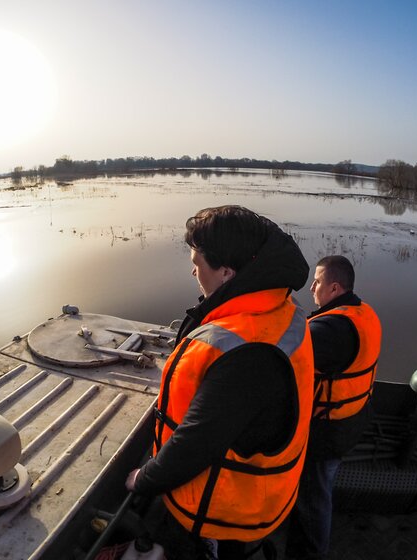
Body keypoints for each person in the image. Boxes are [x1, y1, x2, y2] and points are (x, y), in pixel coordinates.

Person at [124, 205, 314, 559]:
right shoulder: (280, 305)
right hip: (257, 492)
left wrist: (144, 479)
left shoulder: (248, 354)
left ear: (227, 272)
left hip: (225, 514)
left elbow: (196, 442)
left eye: (197, 263)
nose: (193, 271)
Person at [285, 255, 382, 560]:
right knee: (319, 489)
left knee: (314, 498)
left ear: (335, 288)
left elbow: (286, 356)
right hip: (352, 420)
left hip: (326, 433)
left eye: (317, 282)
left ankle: (311, 552)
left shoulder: (332, 331)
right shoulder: (362, 312)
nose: (311, 287)